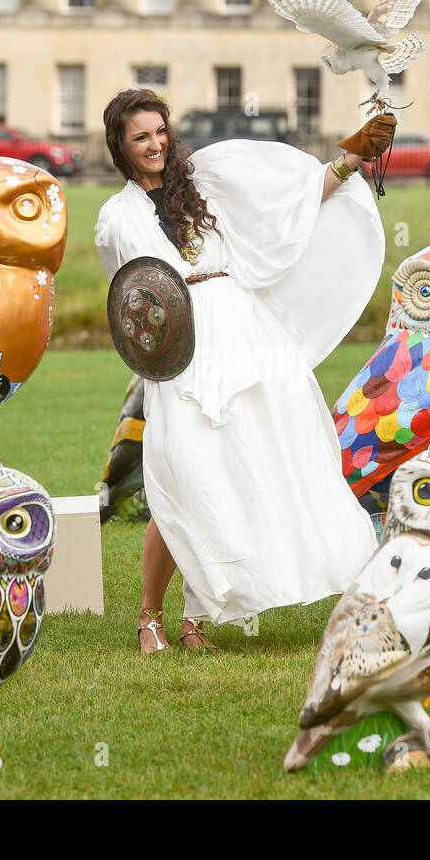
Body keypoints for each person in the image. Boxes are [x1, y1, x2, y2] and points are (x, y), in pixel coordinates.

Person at [95, 89, 394, 652]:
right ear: (120, 145)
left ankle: (194, 620)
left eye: (161, 130)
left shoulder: (204, 184)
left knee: (255, 465)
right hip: (182, 349)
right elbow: (132, 305)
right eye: (141, 136)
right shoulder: (116, 217)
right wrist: (158, 358)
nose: (156, 143)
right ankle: (149, 617)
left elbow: (289, 208)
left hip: (246, 333)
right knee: (180, 478)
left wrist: (349, 159)